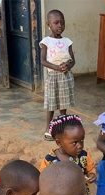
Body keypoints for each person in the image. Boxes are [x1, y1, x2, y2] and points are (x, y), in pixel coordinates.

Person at [39, 114, 96, 195]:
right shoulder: (50, 161)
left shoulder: (84, 156)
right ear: (59, 142)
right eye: (75, 142)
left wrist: (92, 175)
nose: (80, 145)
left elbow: (90, 169)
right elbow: (43, 181)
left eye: (82, 140)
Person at [39, 9, 76, 141]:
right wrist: (57, 67)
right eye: (56, 23)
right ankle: (48, 128)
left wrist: (68, 65)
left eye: (62, 22)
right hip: (53, 76)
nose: (60, 25)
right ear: (49, 24)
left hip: (65, 77)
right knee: (51, 103)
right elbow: (43, 61)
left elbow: (72, 60)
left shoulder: (67, 41)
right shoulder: (46, 42)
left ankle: (62, 126)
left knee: (63, 103)